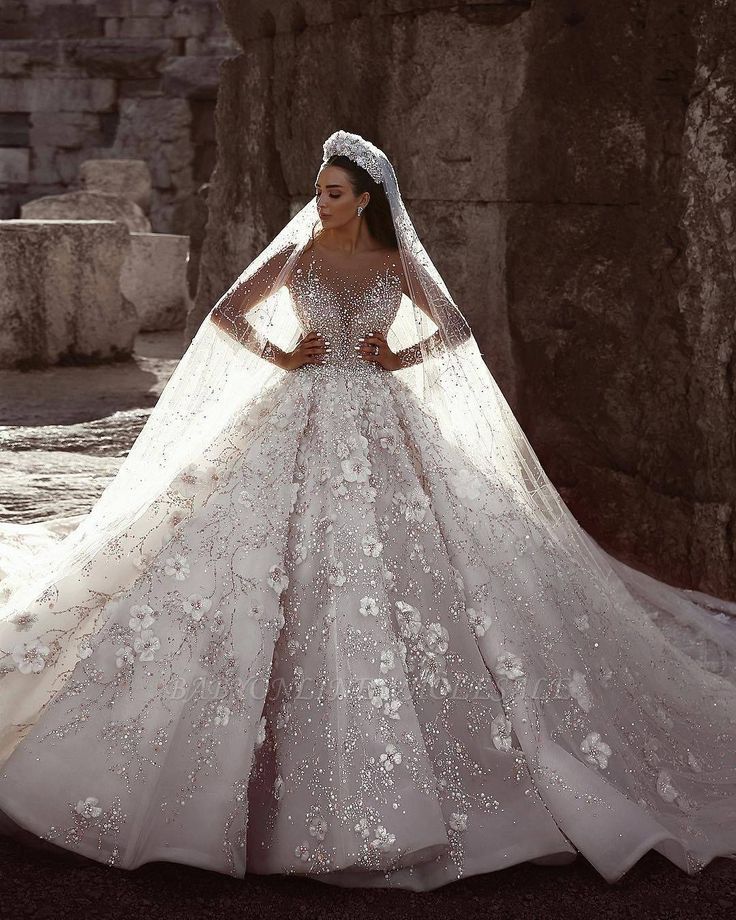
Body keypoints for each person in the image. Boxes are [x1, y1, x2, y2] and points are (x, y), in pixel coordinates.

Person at [0, 130, 735, 892]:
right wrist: (283, 356)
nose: (319, 202)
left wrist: (400, 359)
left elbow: (454, 329)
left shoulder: (397, 263)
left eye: (333, 192)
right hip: (302, 409)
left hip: (380, 416)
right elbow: (227, 312)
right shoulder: (301, 255)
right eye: (318, 191)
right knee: (254, 559)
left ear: (367, 199)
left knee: (407, 565)